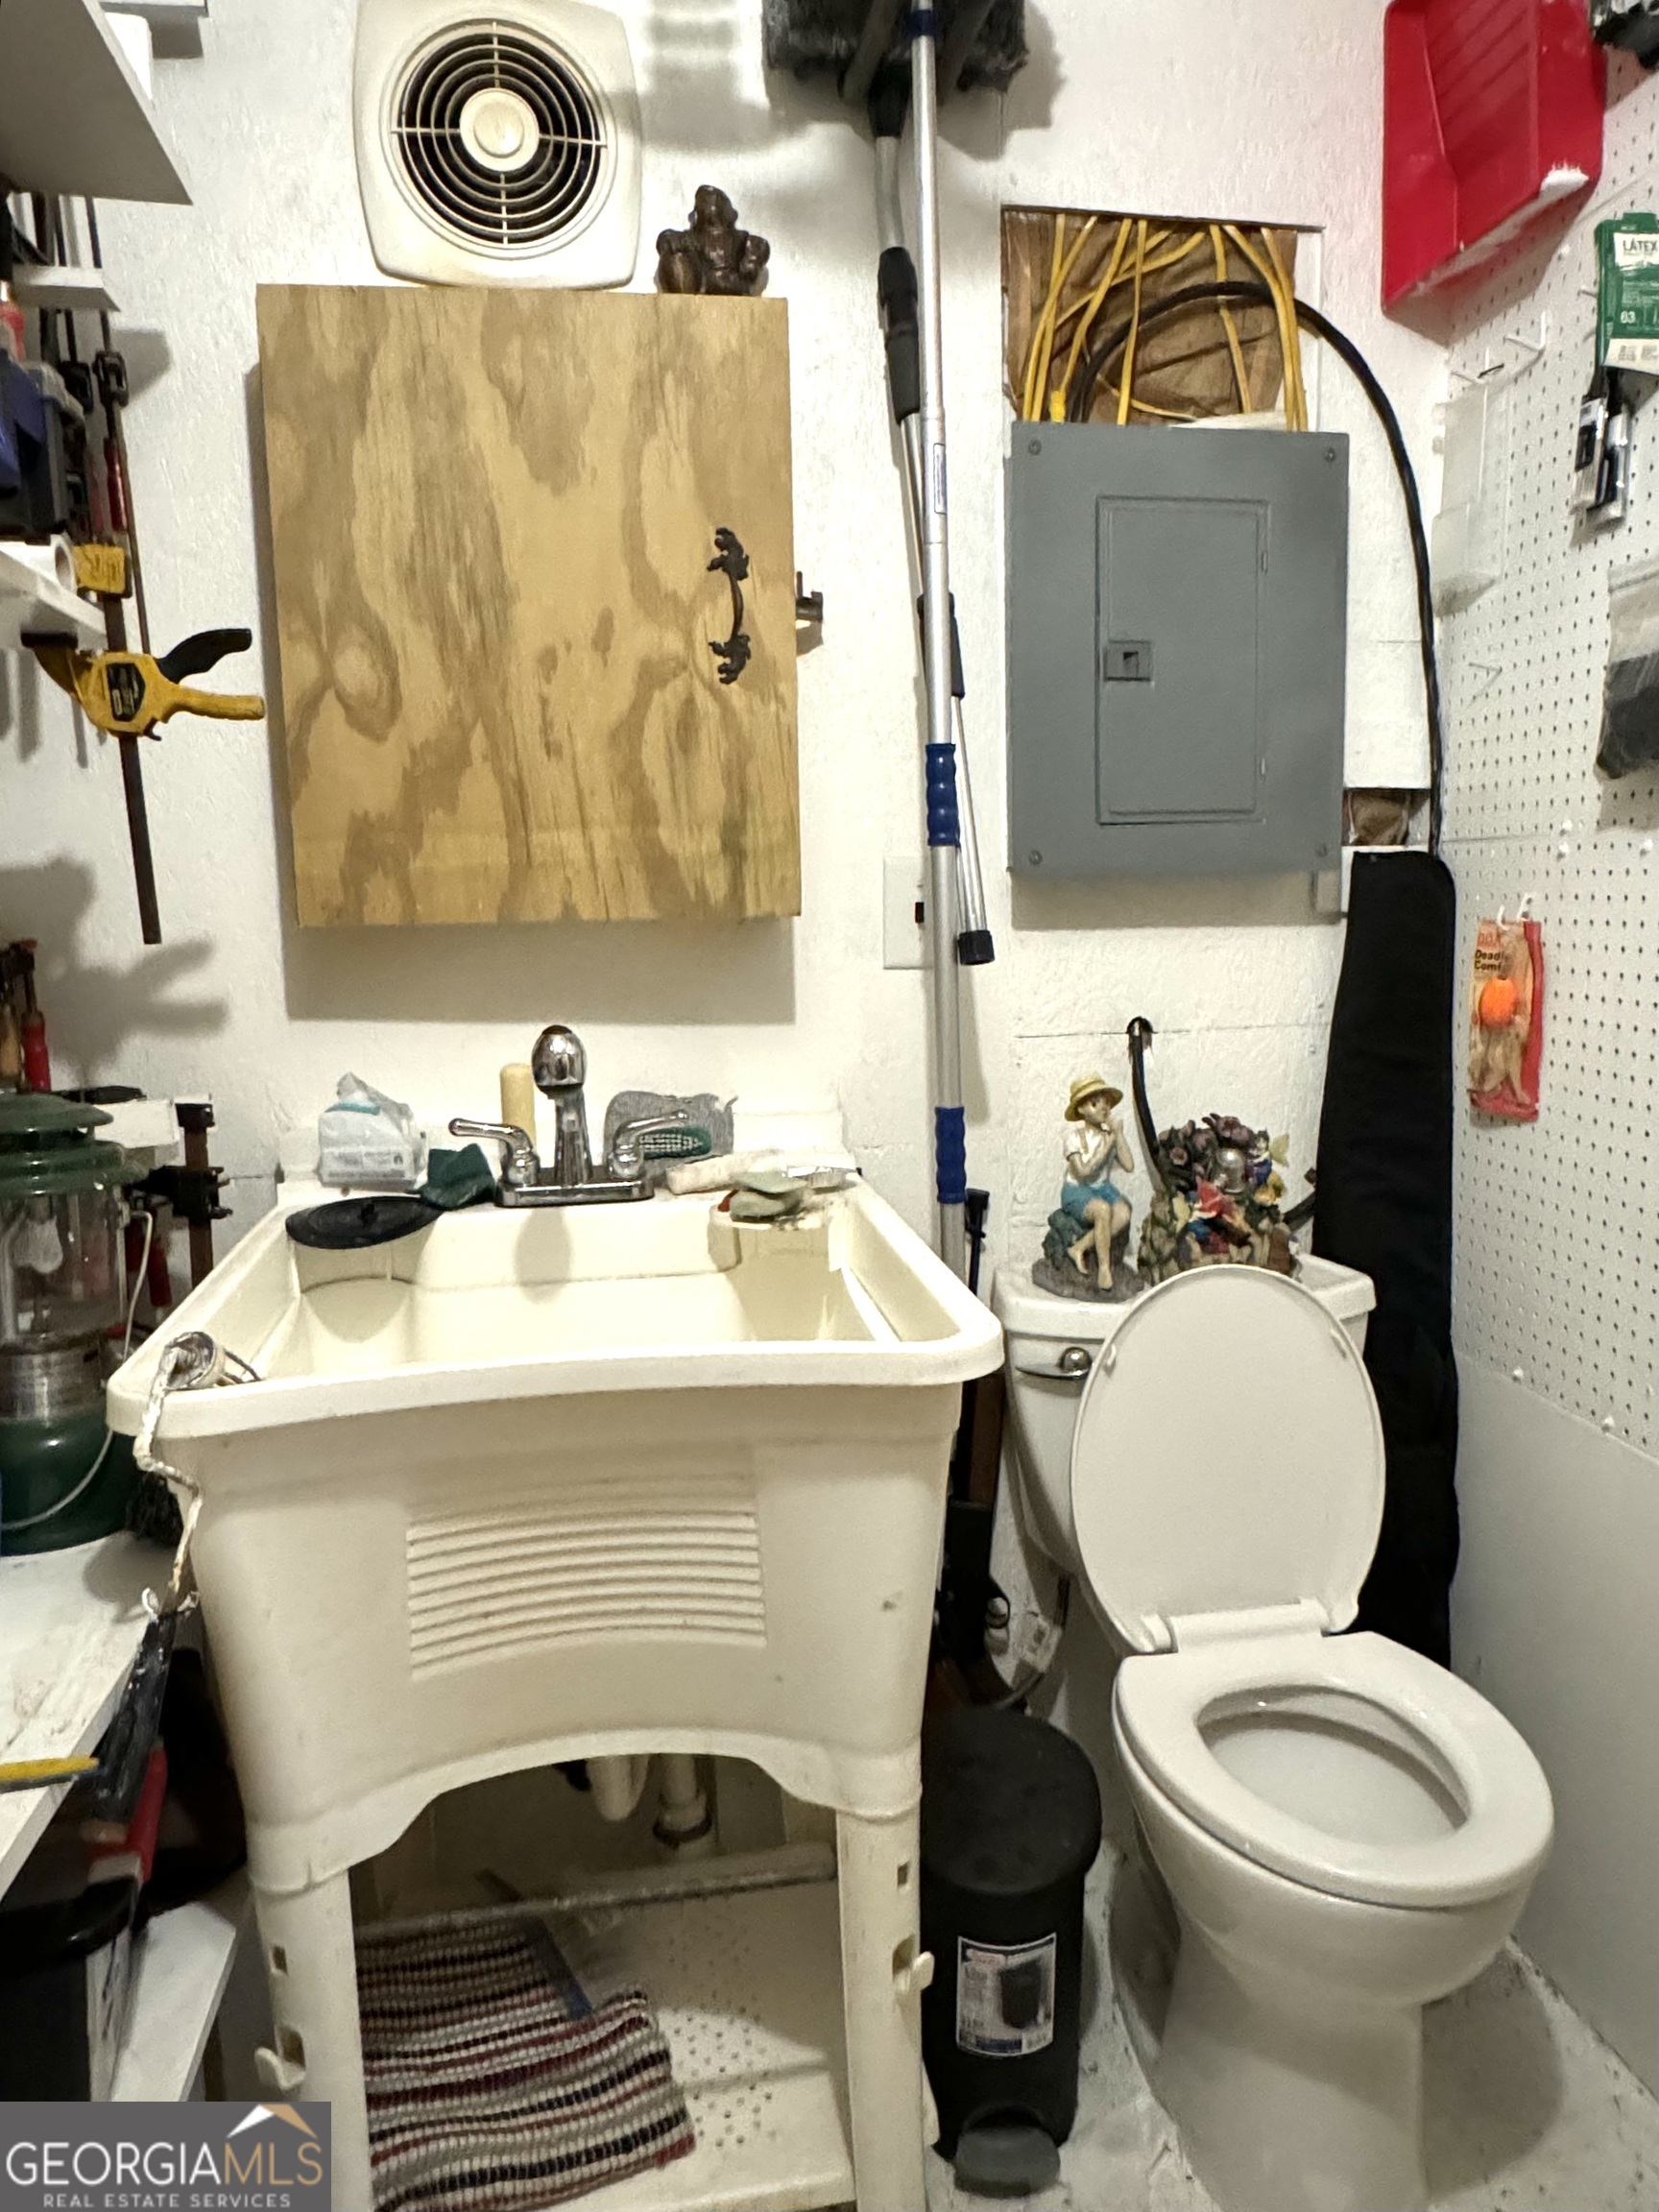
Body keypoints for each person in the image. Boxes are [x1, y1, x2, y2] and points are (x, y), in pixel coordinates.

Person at [1060, 1075, 1134, 1281]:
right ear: (1081, 1109)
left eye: (1106, 1104)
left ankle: (1079, 1247)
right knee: (1102, 1210)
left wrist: (1118, 1135)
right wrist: (1107, 1145)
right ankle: (1104, 1269)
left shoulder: (1108, 1135)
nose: (1103, 1108)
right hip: (1078, 1190)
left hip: (1103, 1188)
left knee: (1123, 1213)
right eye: (1095, 1103)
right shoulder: (1074, 1137)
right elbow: (1084, 1172)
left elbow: (1128, 1165)